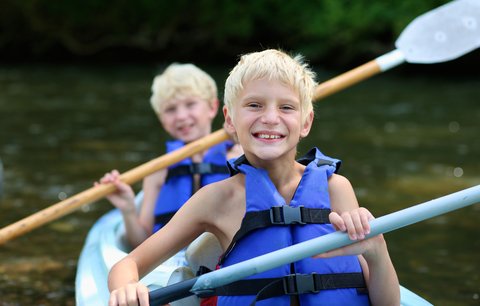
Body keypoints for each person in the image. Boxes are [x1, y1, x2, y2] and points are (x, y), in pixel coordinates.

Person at [107, 49, 400, 306]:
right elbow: (127, 265)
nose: (271, 118)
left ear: (305, 122)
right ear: (230, 120)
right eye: (254, 105)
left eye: (286, 107)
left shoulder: (336, 188)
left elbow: (387, 303)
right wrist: (126, 288)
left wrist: (377, 250)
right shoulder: (216, 199)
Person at [96, 63, 242, 248]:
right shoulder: (157, 171)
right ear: (162, 119)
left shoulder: (240, 154)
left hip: (227, 253)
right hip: (171, 262)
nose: (181, 116)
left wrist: (242, 139)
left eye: (190, 104)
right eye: (171, 109)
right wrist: (128, 209)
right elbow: (141, 244)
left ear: (212, 107)